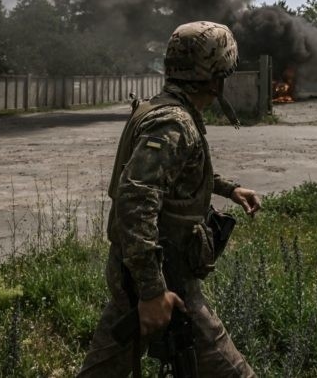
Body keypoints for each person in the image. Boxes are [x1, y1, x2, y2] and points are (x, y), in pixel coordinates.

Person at [78, 21, 262, 377]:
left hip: (140, 269)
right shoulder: (174, 123)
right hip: (163, 274)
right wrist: (151, 291)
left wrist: (229, 189)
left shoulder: (160, 109)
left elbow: (173, 177)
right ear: (217, 75)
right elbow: (135, 199)